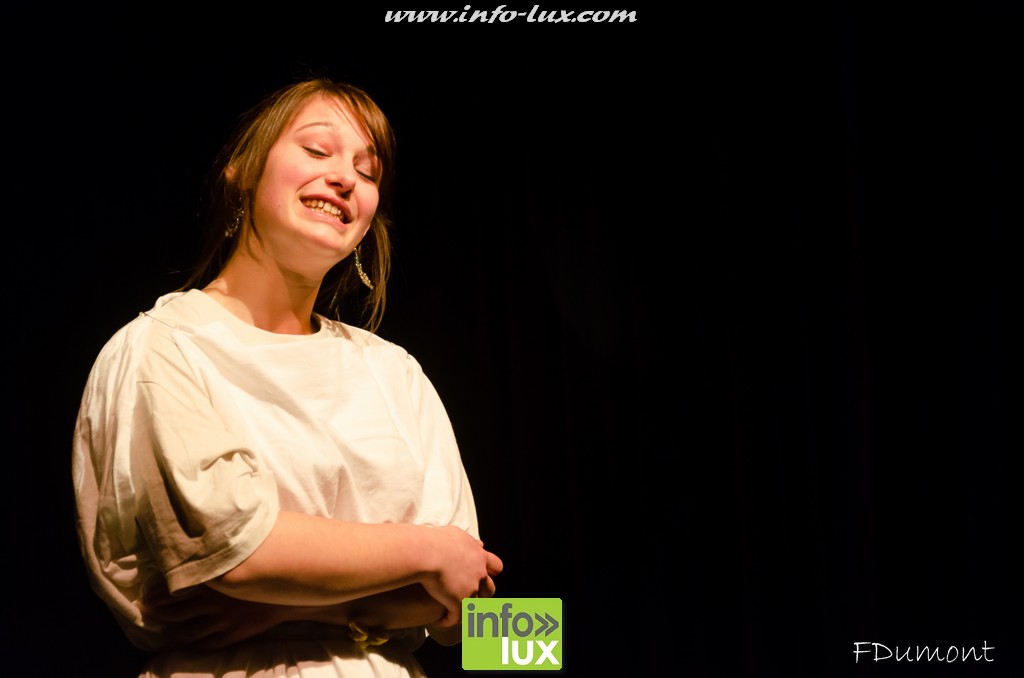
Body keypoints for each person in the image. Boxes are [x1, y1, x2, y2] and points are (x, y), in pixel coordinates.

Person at [71, 76, 503, 677]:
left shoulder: (395, 371)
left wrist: (291, 608)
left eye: (367, 171)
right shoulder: (164, 347)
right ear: (243, 171)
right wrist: (427, 552)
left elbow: (480, 611)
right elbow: (237, 550)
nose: (345, 177)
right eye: (317, 150)